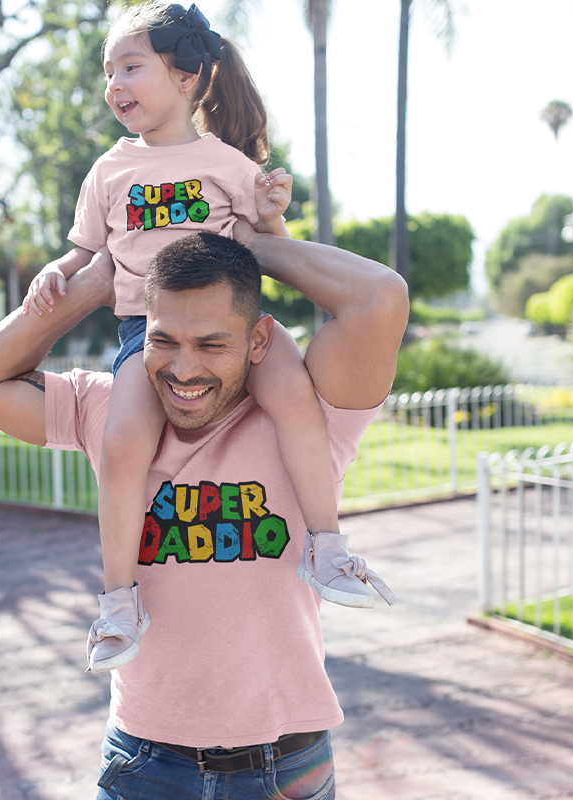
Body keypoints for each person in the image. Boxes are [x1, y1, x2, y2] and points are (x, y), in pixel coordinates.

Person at [0, 222, 408, 798]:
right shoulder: (110, 413)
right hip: (145, 765)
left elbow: (379, 295)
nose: (183, 370)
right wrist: (93, 287)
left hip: (284, 769)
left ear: (258, 341)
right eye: (163, 341)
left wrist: (252, 245)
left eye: (212, 345)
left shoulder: (310, 419)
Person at [20, 1, 392, 676]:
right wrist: (56, 270)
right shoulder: (108, 171)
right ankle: (118, 602)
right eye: (109, 72)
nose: (115, 84)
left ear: (187, 76)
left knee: (295, 399)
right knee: (122, 445)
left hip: (237, 328)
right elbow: (84, 251)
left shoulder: (227, 162)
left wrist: (272, 216)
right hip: (148, 333)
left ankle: (327, 548)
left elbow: (274, 250)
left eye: (131, 67)